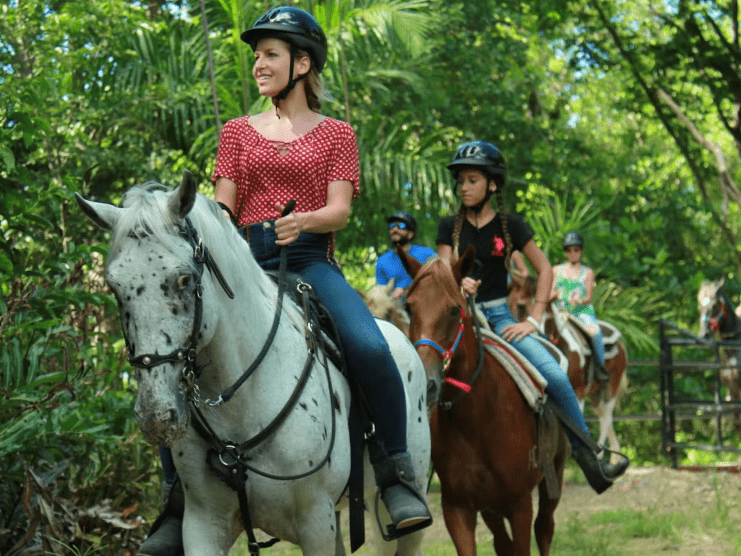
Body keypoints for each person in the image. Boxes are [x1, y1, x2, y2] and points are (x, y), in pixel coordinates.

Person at [436, 140, 628, 494]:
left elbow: (544, 270)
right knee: (421, 368)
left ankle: (590, 459)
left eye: (472, 179)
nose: (463, 186)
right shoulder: (450, 226)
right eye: (460, 180)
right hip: (458, 317)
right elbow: (441, 269)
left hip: (500, 317)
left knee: (555, 374)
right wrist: (454, 278)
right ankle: (408, 466)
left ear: (492, 184)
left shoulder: (512, 226)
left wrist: (535, 319)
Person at [551, 231, 609, 380]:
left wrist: (578, 300)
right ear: (565, 252)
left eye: (576, 250)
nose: (573, 253)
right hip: (561, 311)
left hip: (581, 311)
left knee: (595, 333)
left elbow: (588, 297)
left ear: (581, 251)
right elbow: (551, 292)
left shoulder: (587, 273)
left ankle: (599, 366)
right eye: (569, 250)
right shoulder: (556, 271)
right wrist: (555, 296)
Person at [376, 211, 436, 299]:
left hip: (425, 306)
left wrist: (406, 291)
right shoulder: (382, 261)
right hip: (396, 309)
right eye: (391, 226)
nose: (394, 229)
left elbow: (439, 283)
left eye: (401, 226)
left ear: (410, 234)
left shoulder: (428, 254)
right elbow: (381, 294)